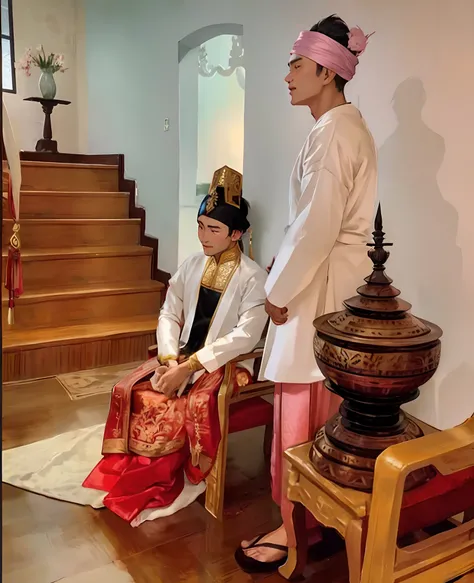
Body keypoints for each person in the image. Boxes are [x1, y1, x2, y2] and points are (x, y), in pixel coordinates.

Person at [236, 14, 377, 573]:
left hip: (319, 283)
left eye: (296, 65)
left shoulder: (336, 130)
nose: (288, 76)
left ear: (325, 69)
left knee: (302, 403)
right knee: (325, 405)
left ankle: (293, 525)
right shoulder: (339, 127)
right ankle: (315, 520)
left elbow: (318, 225)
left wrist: (277, 289)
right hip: (328, 277)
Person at [83, 165, 268, 526]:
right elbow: (169, 311)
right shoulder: (192, 264)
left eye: (213, 229)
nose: (204, 235)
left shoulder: (253, 278)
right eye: (201, 225)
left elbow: (245, 337)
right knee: (129, 388)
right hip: (179, 355)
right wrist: (169, 358)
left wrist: (190, 366)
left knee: (173, 407)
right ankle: (124, 474)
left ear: (237, 234)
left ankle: (162, 484)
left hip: (224, 364)